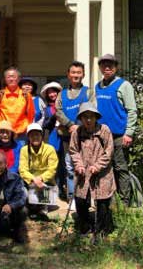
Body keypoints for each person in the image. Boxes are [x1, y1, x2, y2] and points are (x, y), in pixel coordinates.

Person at [69, 103, 115, 241]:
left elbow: (109, 152)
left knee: (102, 202)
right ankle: (85, 227)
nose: (88, 120)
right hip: (83, 172)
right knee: (80, 199)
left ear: (96, 117)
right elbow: (73, 150)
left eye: (91, 117)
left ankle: (101, 231)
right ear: (81, 119)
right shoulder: (77, 132)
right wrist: (78, 165)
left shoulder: (104, 130)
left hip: (103, 173)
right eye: (84, 117)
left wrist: (98, 166)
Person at [95, 54, 137, 206]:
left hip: (120, 135)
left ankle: (124, 202)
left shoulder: (124, 85)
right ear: (100, 68)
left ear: (116, 67)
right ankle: (109, 198)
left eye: (110, 65)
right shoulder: (98, 86)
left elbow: (132, 110)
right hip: (102, 136)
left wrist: (129, 133)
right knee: (105, 168)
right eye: (104, 65)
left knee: (120, 168)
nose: (107, 68)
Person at [56, 61, 92, 206]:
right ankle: (72, 198)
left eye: (79, 73)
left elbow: (91, 111)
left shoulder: (89, 92)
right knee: (69, 166)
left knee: (85, 166)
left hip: (85, 136)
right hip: (67, 136)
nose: (76, 75)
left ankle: (85, 198)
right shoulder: (62, 94)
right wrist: (70, 125)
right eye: (73, 72)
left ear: (83, 74)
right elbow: (58, 111)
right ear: (68, 75)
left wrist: (79, 126)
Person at [18, 123, 58, 218]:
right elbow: (22, 169)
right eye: (32, 135)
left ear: (42, 136)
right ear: (28, 137)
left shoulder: (50, 149)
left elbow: (52, 169)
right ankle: (33, 206)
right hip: (30, 182)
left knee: (45, 194)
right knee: (25, 194)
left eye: (37, 134)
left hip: (46, 182)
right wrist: (33, 179)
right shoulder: (24, 150)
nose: (35, 137)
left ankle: (42, 207)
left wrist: (41, 178)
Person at [0, 67, 35, 142]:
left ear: (18, 79)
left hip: (21, 134)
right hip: (4, 133)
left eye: (14, 77)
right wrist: (0, 129)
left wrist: (25, 127)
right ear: (5, 79)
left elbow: (30, 115)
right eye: (8, 77)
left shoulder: (26, 95)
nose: (11, 79)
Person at [41, 82, 65, 199]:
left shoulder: (64, 104)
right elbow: (44, 124)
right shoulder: (47, 109)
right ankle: (54, 189)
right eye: (49, 92)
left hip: (64, 136)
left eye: (54, 91)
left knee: (64, 164)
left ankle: (62, 189)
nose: (52, 94)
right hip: (53, 137)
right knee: (53, 165)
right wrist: (52, 118)